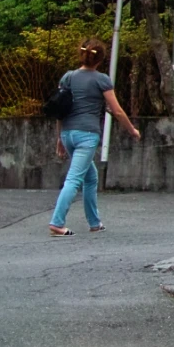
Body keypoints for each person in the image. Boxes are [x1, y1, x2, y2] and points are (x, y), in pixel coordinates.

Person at [48, 39, 140, 236]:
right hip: (87, 136)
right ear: (100, 59)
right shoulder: (102, 80)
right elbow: (117, 111)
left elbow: (59, 109)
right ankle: (57, 222)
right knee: (74, 179)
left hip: (68, 134)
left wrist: (59, 138)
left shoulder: (68, 77)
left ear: (82, 55)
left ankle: (95, 223)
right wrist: (132, 130)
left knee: (91, 177)